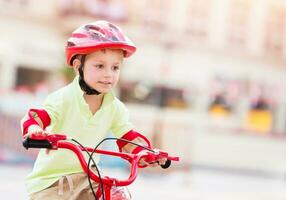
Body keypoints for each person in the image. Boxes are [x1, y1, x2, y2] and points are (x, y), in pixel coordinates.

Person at [21, 20, 166, 200]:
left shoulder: (115, 108)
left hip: (88, 180)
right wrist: (35, 130)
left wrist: (143, 152)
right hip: (51, 183)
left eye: (115, 67)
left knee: (116, 196)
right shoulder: (63, 98)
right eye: (99, 66)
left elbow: (127, 137)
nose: (108, 74)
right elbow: (37, 117)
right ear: (78, 67)